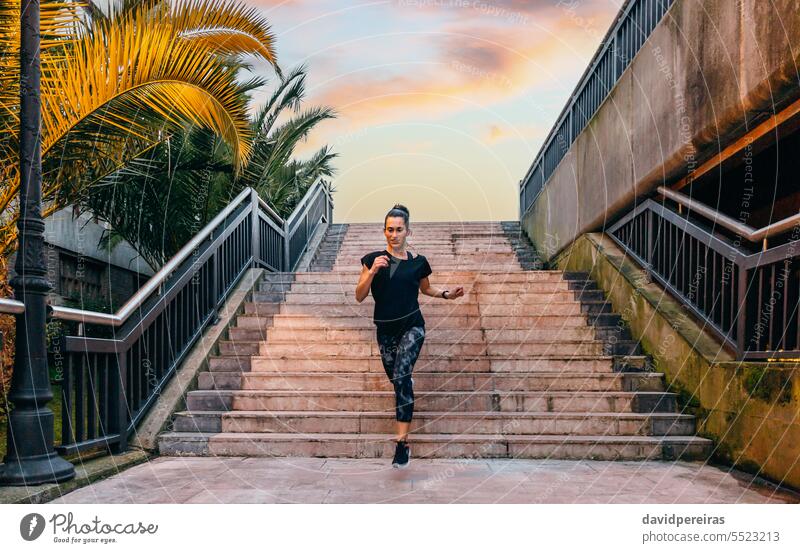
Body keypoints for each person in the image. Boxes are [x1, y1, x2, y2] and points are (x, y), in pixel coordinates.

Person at [355, 204, 465, 468]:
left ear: (408, 231)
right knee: (398, 379)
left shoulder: (418, 262)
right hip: (385, 330)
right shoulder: (372, 259)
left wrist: (447, 295)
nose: (394, 234)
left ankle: (402, 444)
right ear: (384, 231)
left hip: (413, 326)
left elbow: (426, 289)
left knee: (402, 377)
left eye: (399, 229)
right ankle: (406, 385)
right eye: (390, 230)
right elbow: (359, 296)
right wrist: (372, 273)